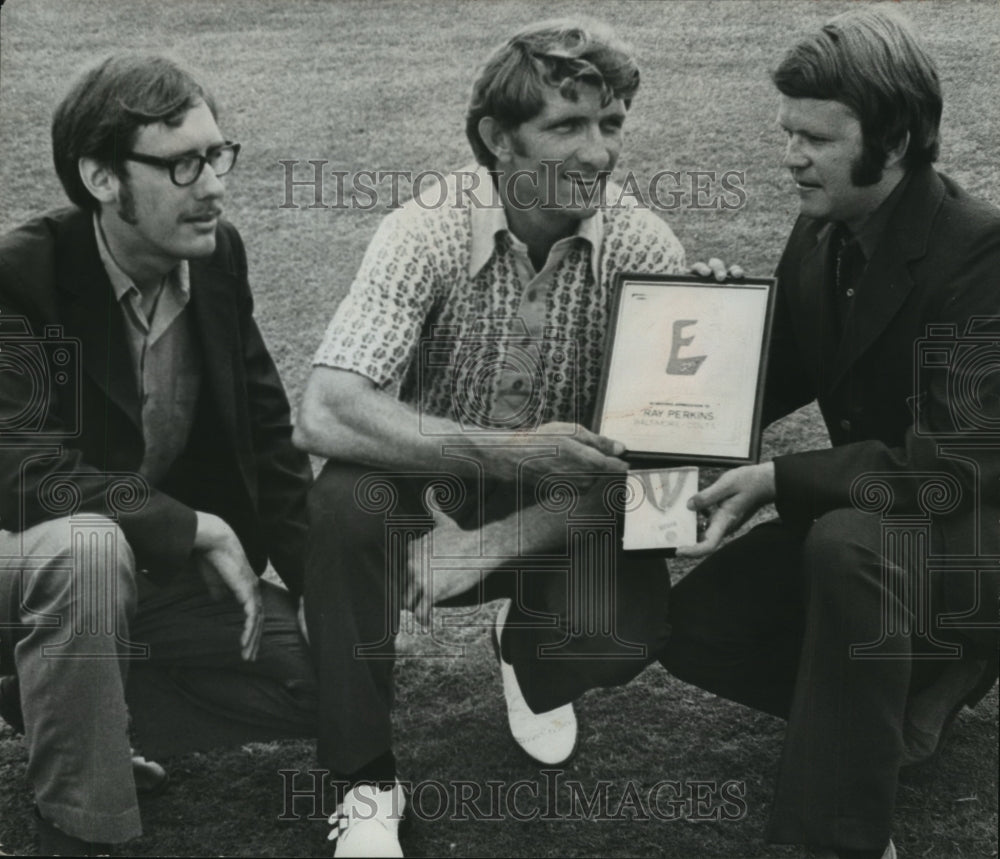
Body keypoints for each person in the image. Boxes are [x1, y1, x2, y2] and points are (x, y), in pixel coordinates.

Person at [294, 18, 709, 857]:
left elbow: (668, 483)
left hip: (561, 503)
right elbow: (327, 409)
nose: (598, 154)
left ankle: (524, 645)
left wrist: (487, 547)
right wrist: (506, 454)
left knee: (623, 628)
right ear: (497, 138)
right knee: (342, 501)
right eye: (566, 126)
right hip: (433, 480)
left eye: (612, 123)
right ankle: (364, 780)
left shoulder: (644, 243)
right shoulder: (427, 229)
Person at [663, 9, 1000, 859]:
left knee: (846, 542)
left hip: (967, 543)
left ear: (898, 137)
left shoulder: (982, 257)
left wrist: (781, 479)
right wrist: (717, 327)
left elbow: (947, 470)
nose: (791, 156)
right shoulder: (821, 225)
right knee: (692, 624)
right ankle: (900, 707)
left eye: (814, 136)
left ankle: (844, 837)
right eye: (787, 132)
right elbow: (784, 371)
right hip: (877, 542)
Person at [0, 54, 317, 854]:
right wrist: (195, 528)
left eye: (218, 155)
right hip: (31, 564)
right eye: (182, 164)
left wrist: (324, 582)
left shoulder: (215, 260)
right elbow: (24, 471)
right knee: (87, 547)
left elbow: (269, 434)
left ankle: (68, 706)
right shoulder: (20, 278)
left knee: (331, 671)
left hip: (144, 590)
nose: (213, 184)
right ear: (102, 177)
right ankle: (83, 823)